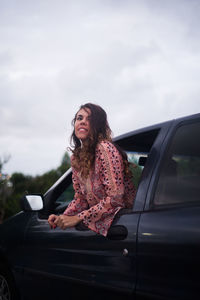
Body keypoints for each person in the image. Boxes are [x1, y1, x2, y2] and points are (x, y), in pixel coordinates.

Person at [48, 103, 136, 236]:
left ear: (98, 125)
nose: (83, 122)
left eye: (89, 119)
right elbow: (81, 199)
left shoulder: (105, 148)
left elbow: (115, 199)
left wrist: (78, 218)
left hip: (125, 223)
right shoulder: (76, 158)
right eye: (79, 118)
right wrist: (62, 217)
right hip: (101, 225)